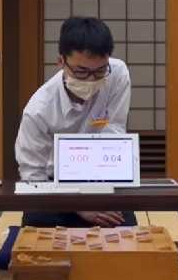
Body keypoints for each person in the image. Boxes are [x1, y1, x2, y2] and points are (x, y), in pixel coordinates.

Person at [15, 16, 135, 228]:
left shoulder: (117, 74)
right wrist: (77, 204)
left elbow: (114, 130)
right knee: (37, 230)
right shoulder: (38, 110)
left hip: (100, 178)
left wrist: (95, 190)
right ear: (61, 62)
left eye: (100, 71)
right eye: (81, 72)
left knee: (126, 232)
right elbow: (33, 177)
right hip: (53, 188)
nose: (91, 80)